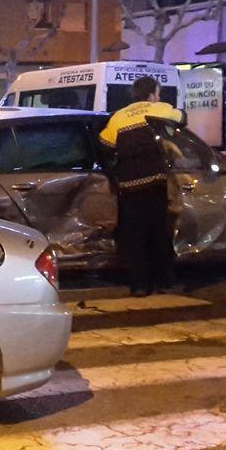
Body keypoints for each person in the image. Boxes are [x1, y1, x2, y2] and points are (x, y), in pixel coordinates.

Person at [99, 76, 184, 297]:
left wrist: (117, 171)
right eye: (158, 92)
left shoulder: (119, 117)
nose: (159, 96)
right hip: (154, 182)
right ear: (151, 94)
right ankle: (164, 282)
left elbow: (105, 146)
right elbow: (182, 118)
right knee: (159, 233)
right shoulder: (157, 109)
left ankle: (139, 285)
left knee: (135, 237)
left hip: (128, 186)